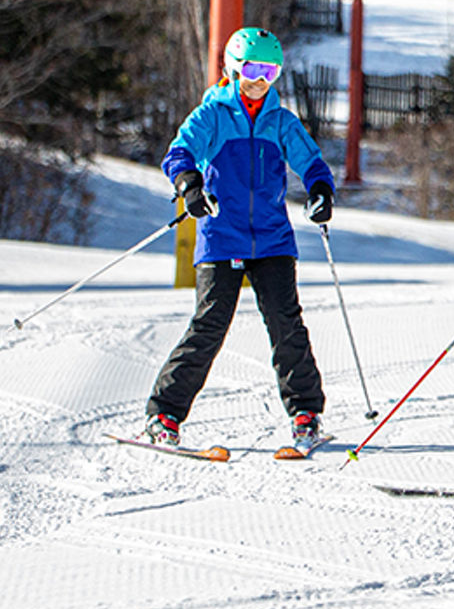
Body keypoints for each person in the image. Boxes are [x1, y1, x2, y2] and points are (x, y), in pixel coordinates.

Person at [141, 27, 336, 450]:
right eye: (252, 68)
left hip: (271, 239)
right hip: (221, 235)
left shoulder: (281, 122)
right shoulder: (211, 116)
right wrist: (190, 186)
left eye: (269, 70)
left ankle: (306, 411)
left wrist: (321, 191)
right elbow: (178, 153)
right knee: (209, 326)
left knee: (287, 325)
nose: (259, 79)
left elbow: (312, 162)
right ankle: (164, 413)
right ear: (232, 67)